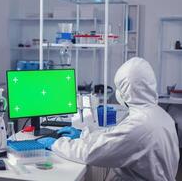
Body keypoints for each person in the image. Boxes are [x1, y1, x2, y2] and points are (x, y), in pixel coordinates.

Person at [38, 57, 179, 181]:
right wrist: (83, 134)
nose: (118, 92)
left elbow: (91, 153)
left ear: (129, 90)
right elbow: (115, 134)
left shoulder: (139, 125)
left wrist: (56, 144)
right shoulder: (157, 114)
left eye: (120, 87)